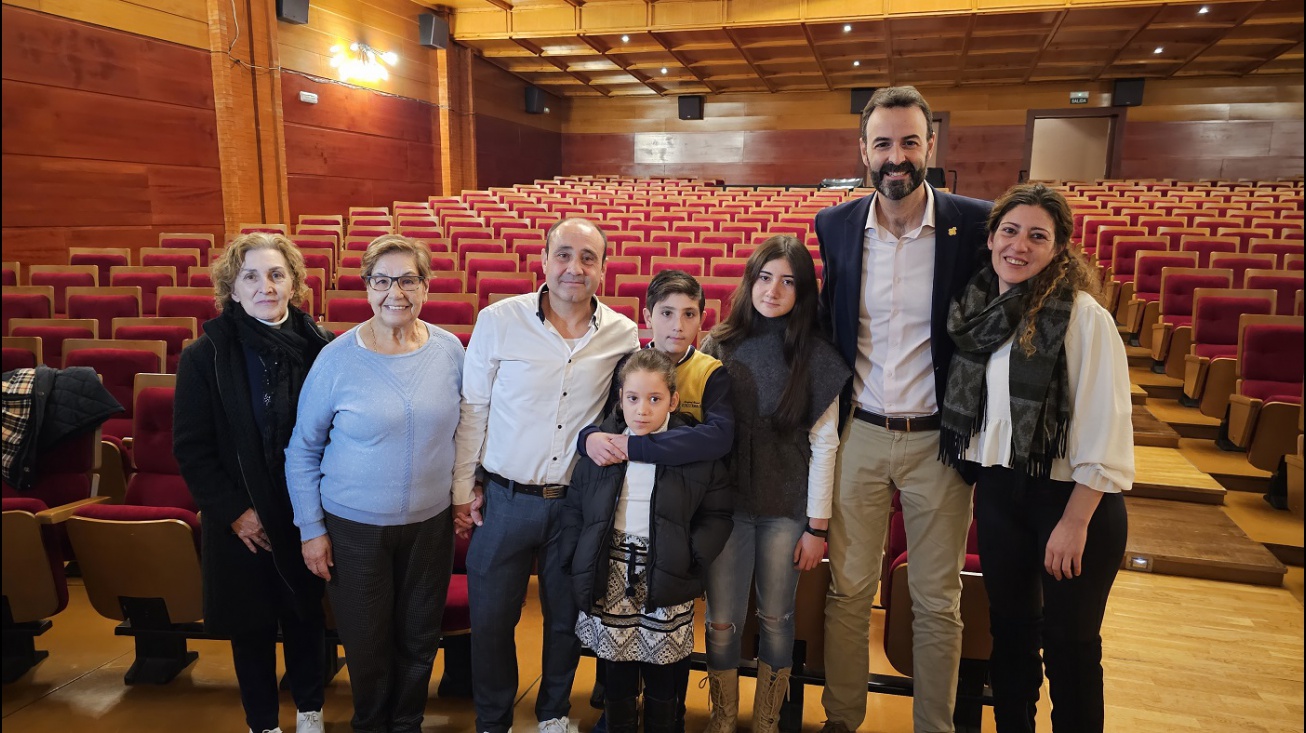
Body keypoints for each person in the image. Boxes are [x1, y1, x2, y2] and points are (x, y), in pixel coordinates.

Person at [816, 85, 992, 733]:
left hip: (938, 441)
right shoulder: (834, 225)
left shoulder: (973, 223)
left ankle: (934, 727)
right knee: (849, 588)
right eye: (883, 143)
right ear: (863, 150)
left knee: (936, 599)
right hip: (858, 432)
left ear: (930, 147)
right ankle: (841, 719)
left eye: (910, 142)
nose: (897, 157)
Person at [939, 183, 1133, 733]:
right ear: (993, 236)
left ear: (1060, 248)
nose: (1019, 246)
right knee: (1011, 637)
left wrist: (1074, 523)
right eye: (1009, 230)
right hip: (1002, 494)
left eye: (1037, 236)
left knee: (1070, 647)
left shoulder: (1082, 317)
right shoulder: (978, 308)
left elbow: (1107, 426)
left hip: (1071, 500)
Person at [453, 217, 639, 733]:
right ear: (544, 258)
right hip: (505, 498)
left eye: (587, 258)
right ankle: (493, 720)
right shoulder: (498, 320)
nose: (573, 268)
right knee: (491, 621)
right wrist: (461, 489)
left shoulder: (623, 333)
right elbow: (474, 409)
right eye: (563, 254)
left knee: (566, 619)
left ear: (602, 269)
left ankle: (553, 713)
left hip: (575, 504)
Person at [285, 234, 464, 733]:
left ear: (426, 286)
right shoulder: (337, 359)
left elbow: (468, 430)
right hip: (353, 527)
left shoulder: (450, 350)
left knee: (419, 637)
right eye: (382, 281)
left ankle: (406, 723)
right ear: (366, 287)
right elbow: (302, 449)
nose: (396, 293)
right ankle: (370, 724)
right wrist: (310, 529)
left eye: (408, 279)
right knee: (366, 642)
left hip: (430, 524)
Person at [173, 232, 331, 733]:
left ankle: (310, 712)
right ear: (233, 289)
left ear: (294, 284)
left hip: (305, 513)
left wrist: (316, 513)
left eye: (276, 274)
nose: (266, 286)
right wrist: (236, 512)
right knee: (252, 627)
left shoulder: (321, 347)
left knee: (307, 619)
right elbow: (192, 448)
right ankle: (262, 723)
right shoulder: (206, 355)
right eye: (251, 276)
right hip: (242, 519)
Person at [699, 236, 850, 733]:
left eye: (788, 281)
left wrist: (818, 527)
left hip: (786, 507)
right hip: (728, 505)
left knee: (777, 619)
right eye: (765, 277)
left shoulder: (817, 354)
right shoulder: (718, 342)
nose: (773, 289)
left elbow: (826, 445)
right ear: (750, 281)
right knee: (722, 620)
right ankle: (723, 718)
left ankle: (765, 721)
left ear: (803, 291)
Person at [578, 269, 736, 733]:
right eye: (666, 313)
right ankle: (615, 709)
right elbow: (602, 424)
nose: (676, 325)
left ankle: (670, 718)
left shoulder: (710, 373)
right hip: (620, 541)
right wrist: (590, 437)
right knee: (619, 652)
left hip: (674, 533)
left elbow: (717, 439)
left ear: (702, 320)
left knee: (668, 660)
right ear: (647, 317)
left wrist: (636, 448)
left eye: (688, 315)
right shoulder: (630, 366)